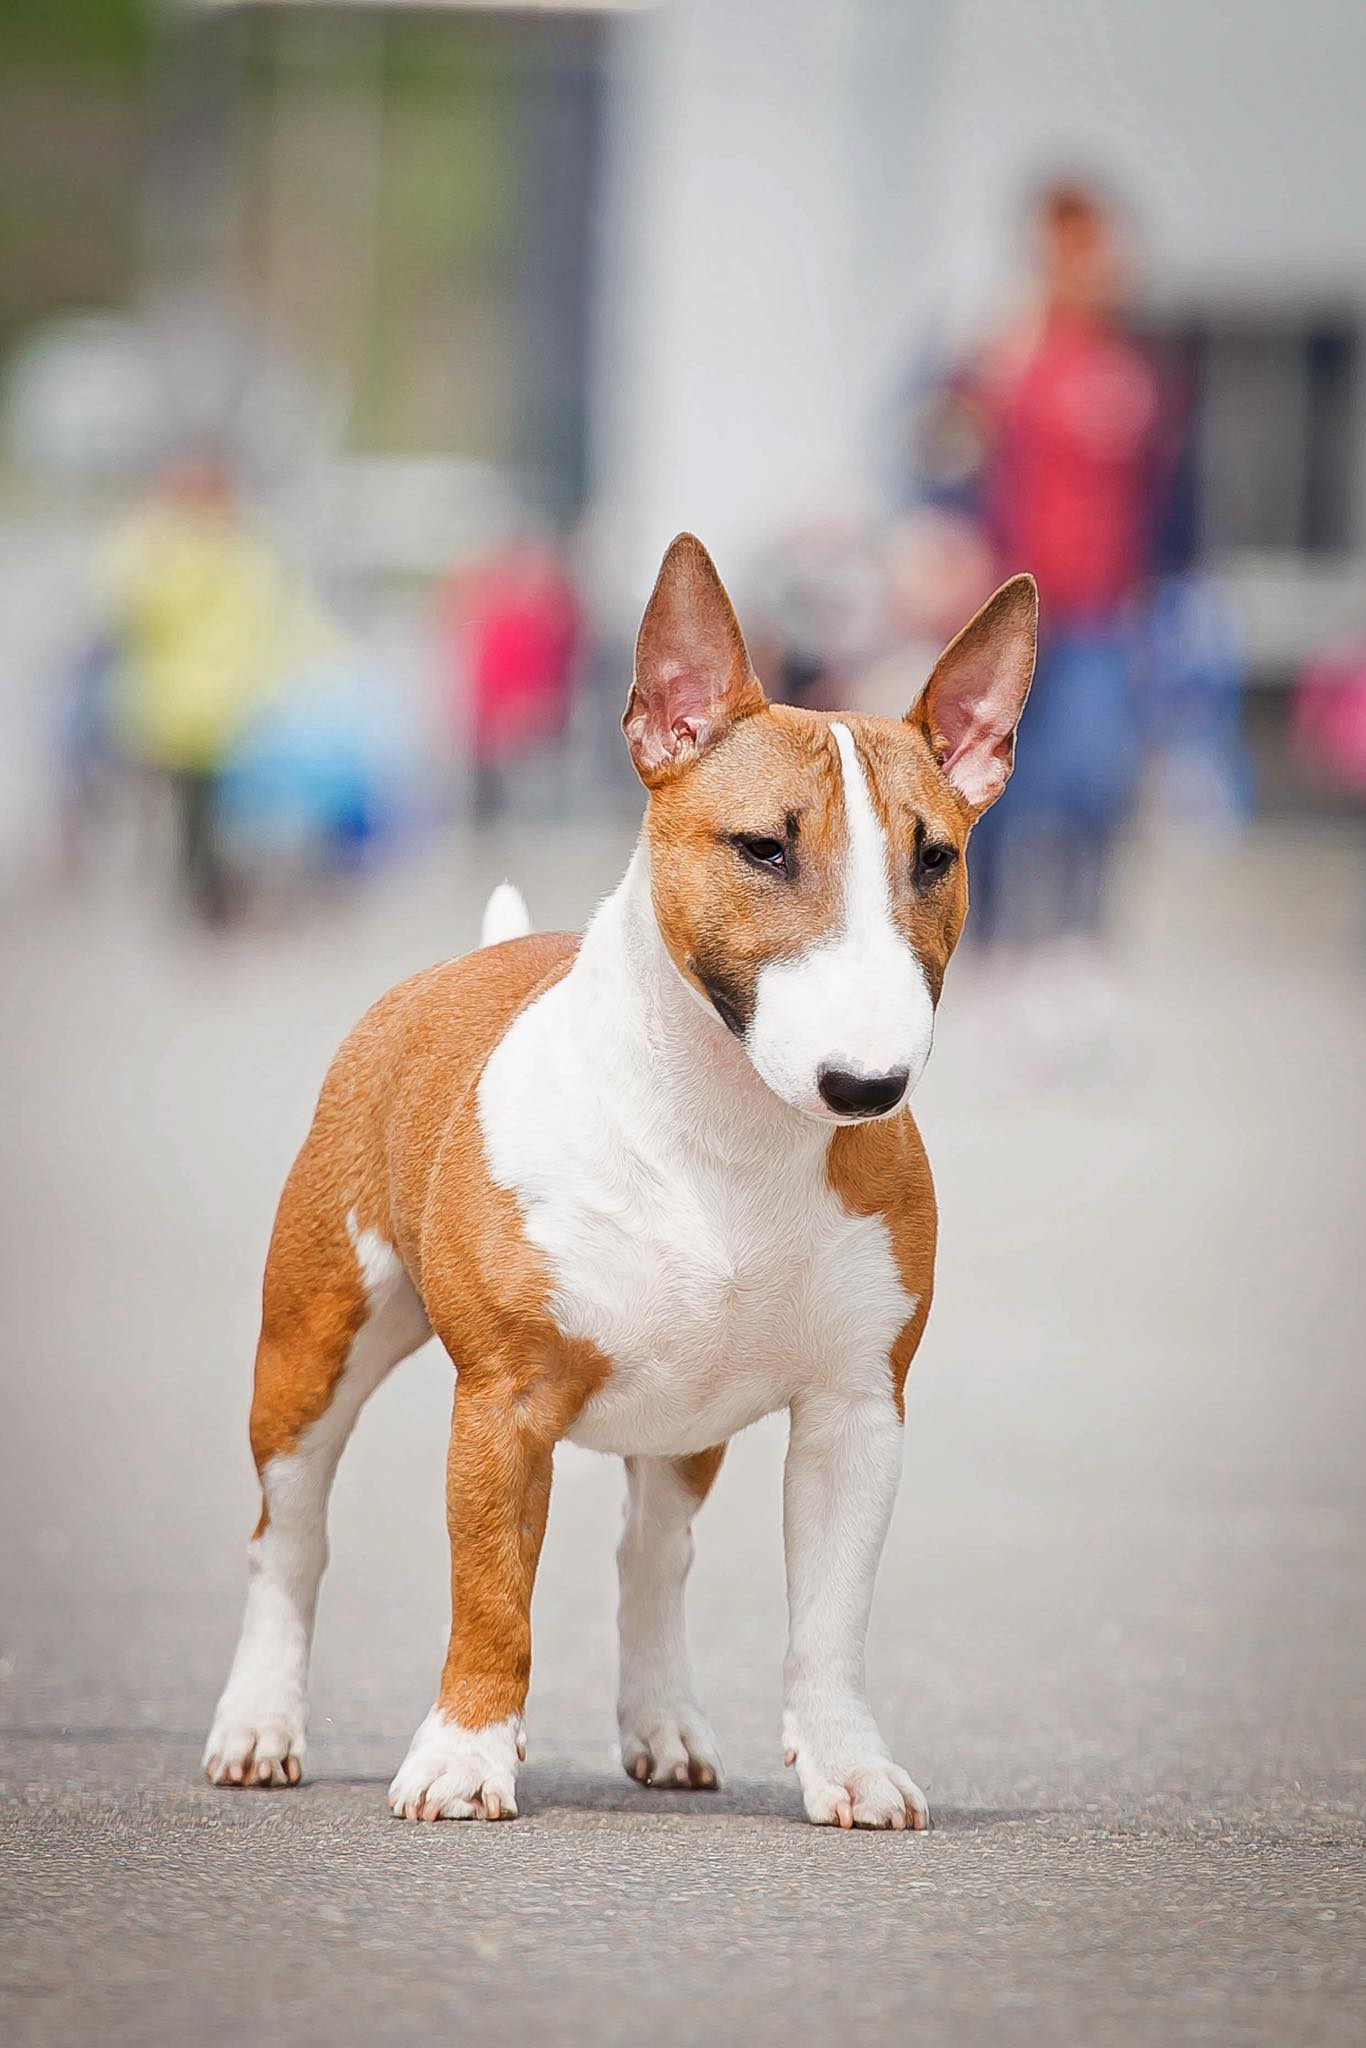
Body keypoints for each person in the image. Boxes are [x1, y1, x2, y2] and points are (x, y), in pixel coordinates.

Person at [909, 180, 1180, 1059]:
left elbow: (1170, 500)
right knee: (998, 790)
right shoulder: (998, 358)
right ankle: (989, 958)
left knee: (1094, 781)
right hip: (1012, 612)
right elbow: (937, 461)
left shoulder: (1136, 372)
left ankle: (1077, 954)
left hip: (1104, 613)